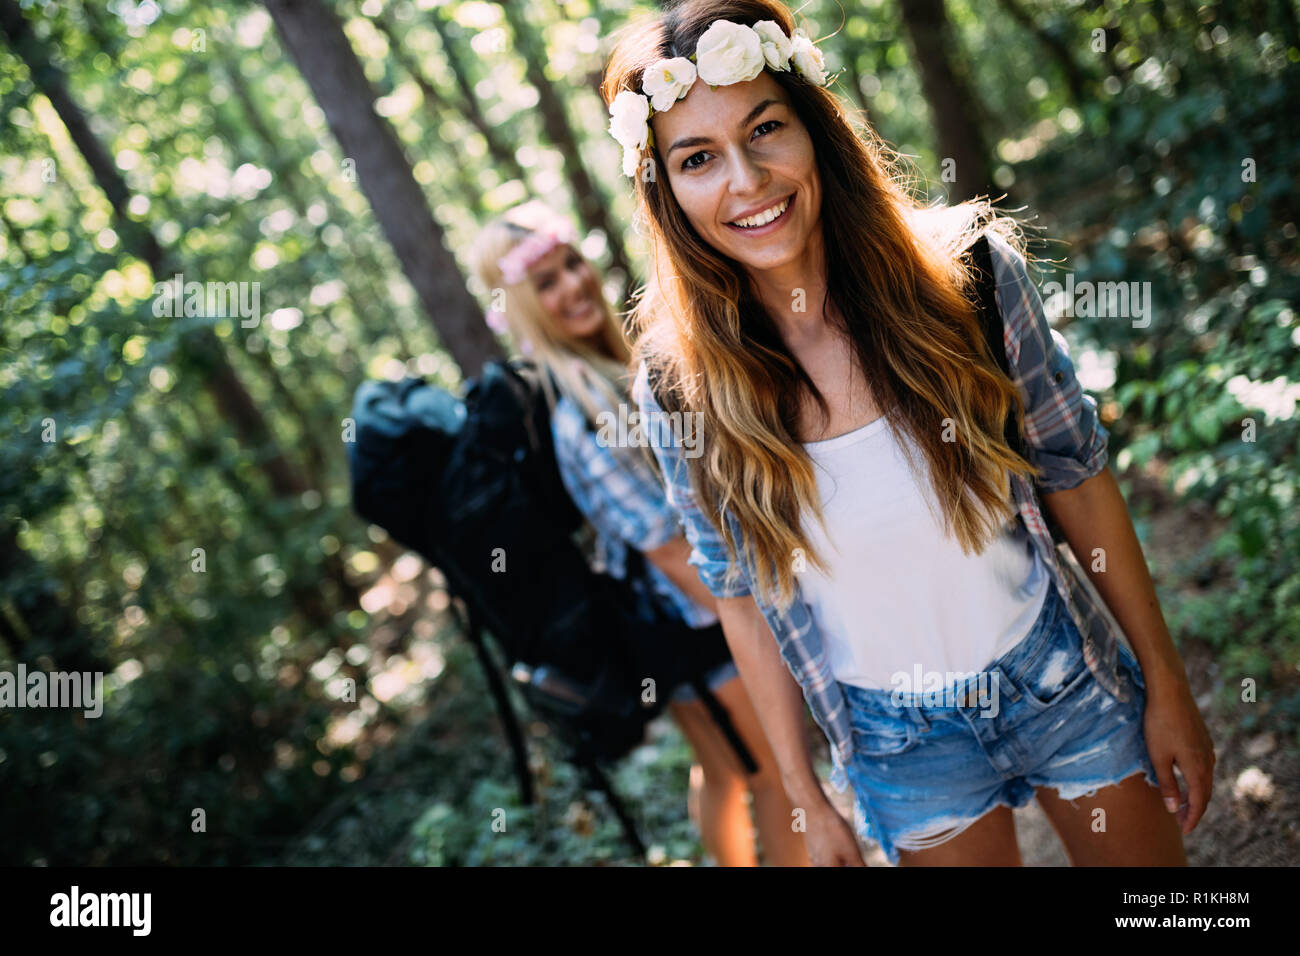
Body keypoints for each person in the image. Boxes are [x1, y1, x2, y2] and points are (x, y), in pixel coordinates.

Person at [603, 0, 1216, 866]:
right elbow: (737, 592)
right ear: (664, 187)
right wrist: (804, 793)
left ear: (814, 128)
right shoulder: (678, 390)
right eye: (697, 158)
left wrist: (1166, 683)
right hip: (901, 744)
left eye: (765, 129)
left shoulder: (968, 276)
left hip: (1057, 675)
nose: (745, 180)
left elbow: (1076, 473)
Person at [467, 200, 810, 866]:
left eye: (571, 264)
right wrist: (762, 627)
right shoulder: (585, 410)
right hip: (698, 625)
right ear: (524, 307)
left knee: (728, 769)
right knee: (773, 774)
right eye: (546, 283)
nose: (572, 285)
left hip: (684, 628)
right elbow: (670, 549)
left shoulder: (614, 373)